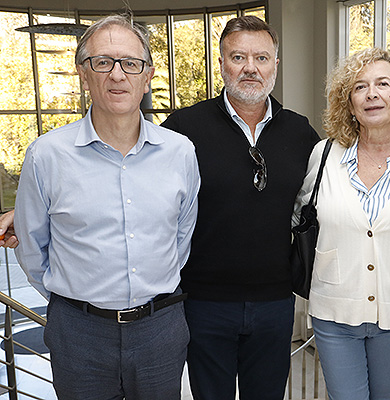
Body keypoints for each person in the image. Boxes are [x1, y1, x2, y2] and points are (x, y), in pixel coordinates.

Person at [13, 14, 200, 399]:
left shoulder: (180, 153)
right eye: (103, 62)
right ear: (84, 74)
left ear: (147, 76)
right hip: (78, 334)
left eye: (131, 63)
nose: (118, 75)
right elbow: (33, 248)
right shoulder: (46, 156)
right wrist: (75, 304)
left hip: (160, 329)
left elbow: (181, 239)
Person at [160, 16, 320, 400]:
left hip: (276, 304)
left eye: (262, 58)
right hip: (203, 304)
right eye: (239, 57)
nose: (251, 67)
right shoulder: (183, 128)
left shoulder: (300, 132)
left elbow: (327, 200)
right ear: (222, 64)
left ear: (275, 65)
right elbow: (140, 194)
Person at [294, 47, 390, 399]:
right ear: (348, 103)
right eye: (359, 87)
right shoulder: (324, 155)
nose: (372, 94)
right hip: (333, 311)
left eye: (383, 83)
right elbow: (299, 214)